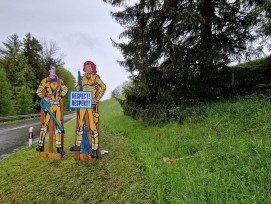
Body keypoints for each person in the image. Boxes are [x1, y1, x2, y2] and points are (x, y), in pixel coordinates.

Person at [70, 61, 106, 158]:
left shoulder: (96, 77)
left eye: (89, 67)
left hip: (91, 105)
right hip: (82, 104)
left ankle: (94, 150)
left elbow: (103, 87)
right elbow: (77, 88)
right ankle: (78, 146)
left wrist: (97, 98)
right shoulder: (81, 78)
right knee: (80, 124)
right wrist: (78, 89)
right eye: (86, 67)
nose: (87, 68)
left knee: (93, 127)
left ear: (93, 68)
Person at [36, 64, 68, 156]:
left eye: (54, 69)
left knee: (58, 126)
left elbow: (65, 89)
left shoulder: (60, 81)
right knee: (44, 125)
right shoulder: (44, 81)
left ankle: (59, 148)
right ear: (49, 71)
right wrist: (44, 97)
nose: (53, 71)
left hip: (57, 106)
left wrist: (61, 95)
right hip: (48, 106)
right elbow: (38, 91)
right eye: (52, 69)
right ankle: (40, 145)